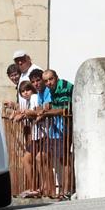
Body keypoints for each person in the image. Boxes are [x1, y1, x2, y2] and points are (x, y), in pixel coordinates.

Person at [38, 69, 74, 199]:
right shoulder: (52, 90)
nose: (48, 83)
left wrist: (47, 112)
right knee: (53, 157)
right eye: (46, 80)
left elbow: (66, 109)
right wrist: (50, 106)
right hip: (60, 127)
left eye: (51, 79)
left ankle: (66, 191)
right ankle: (56, 191)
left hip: (68, 126)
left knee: (64, 159)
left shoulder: (64, 87)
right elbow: (57, 105)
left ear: (56, 78)